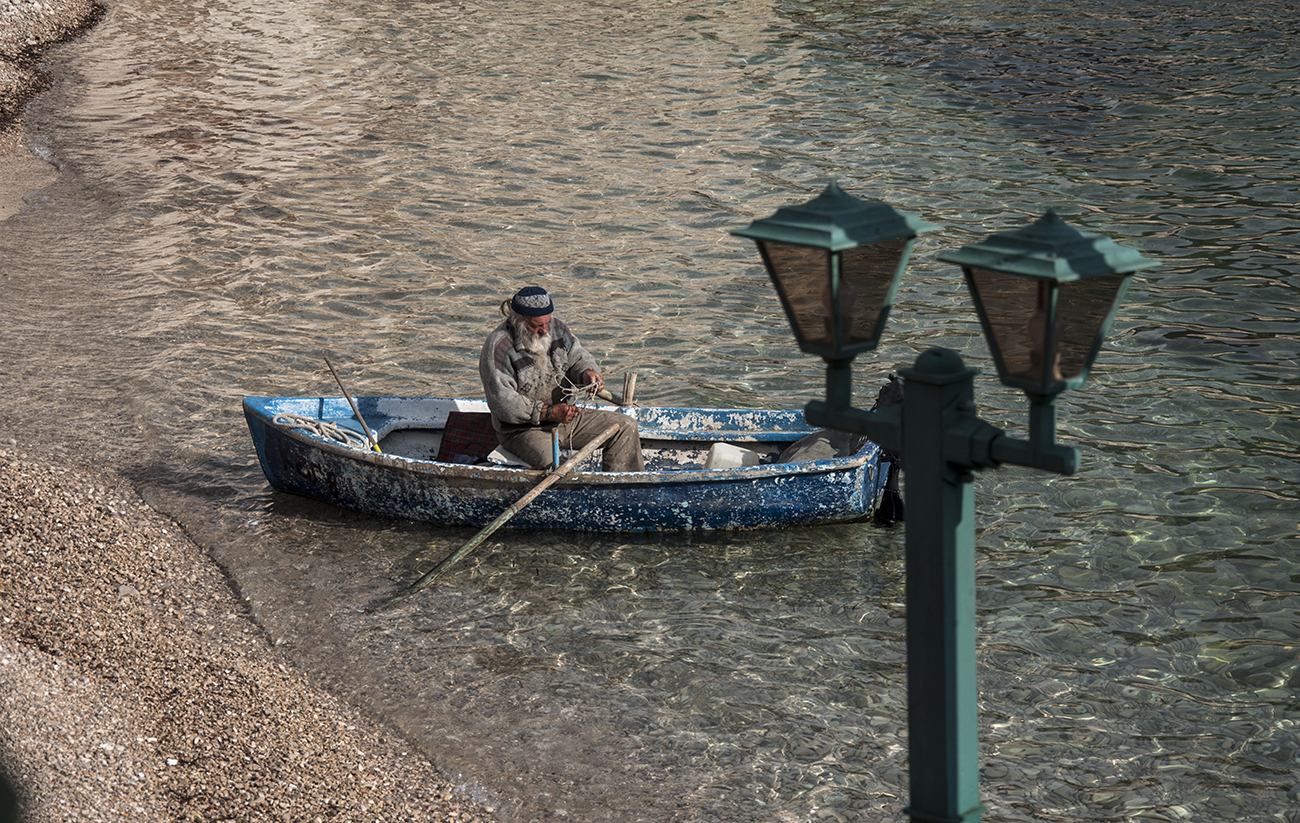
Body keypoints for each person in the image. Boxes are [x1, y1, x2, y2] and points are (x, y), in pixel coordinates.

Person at [479, 286, 645, 472]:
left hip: (568, 418)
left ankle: (623, 487)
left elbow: (578, 357)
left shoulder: (557, 328)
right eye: (536, 326)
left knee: (625, 427)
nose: (544, 331)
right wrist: (548, 413)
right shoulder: (498, 346)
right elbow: (503, 404)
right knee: (560, 468)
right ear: (518, 321)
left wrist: (587, 372)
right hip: (524, 430)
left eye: (546, 323)